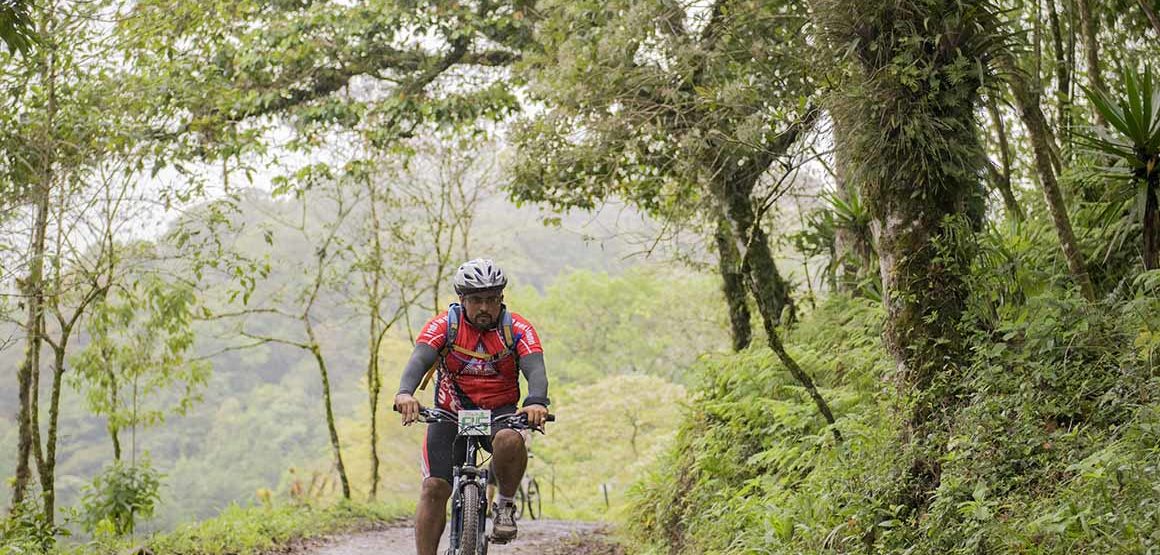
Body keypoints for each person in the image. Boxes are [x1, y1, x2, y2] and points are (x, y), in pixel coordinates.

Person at [394, 258, 550, 555]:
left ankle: (504, 505)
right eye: (476, 300)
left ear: (501, 299)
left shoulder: (517, 329)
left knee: (510, 439)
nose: (484, 308)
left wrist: (536, 402)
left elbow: (536, 369)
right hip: (450, 414)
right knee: (434, 489)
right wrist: (405, 394)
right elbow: (419, 359)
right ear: (462, 300)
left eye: (491, 300)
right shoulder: (444, 326)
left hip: (499, 413)